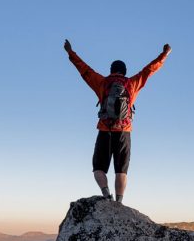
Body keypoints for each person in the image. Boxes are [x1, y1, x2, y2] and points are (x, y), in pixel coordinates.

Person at [64, 40, 171, 203]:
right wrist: (164, 55)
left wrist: (70, 52)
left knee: (99, 168)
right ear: (125, 72)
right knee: (121, 171)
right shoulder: (132, 83)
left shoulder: (102, 82)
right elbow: (149, 70)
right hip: (124, 131)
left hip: (105, 130)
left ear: (111, 71)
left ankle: (107, 196)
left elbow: (84, 69)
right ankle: (119, 202)